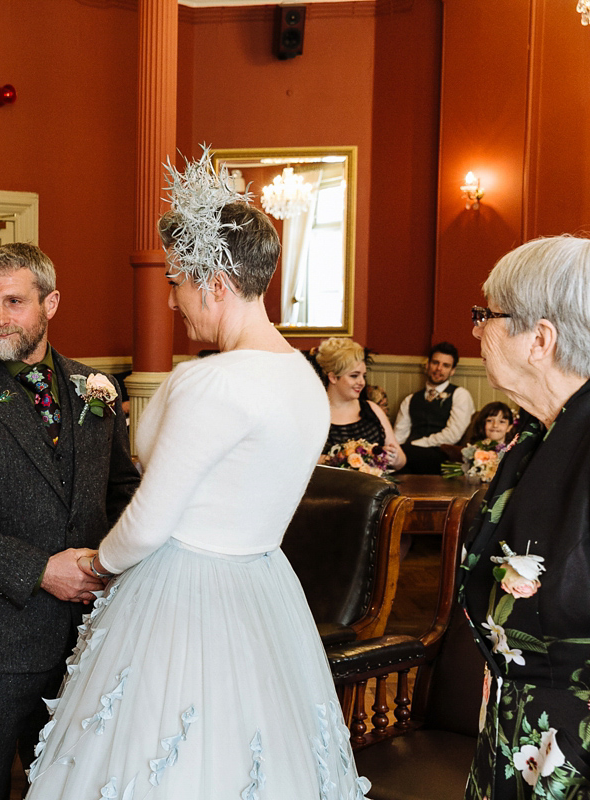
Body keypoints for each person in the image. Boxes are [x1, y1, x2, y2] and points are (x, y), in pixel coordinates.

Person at [25, 153, 371, 799]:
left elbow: (149, 520)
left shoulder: (210, 381)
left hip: (183, 591)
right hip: (265, 582)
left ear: (215, 283)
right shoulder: (304, 377)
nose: (171, 296)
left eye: (179, 281)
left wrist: (97, 566)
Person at [0, 242, 140, 800]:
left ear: (51, 302)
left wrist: (115, 562)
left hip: (88, 640)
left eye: (13, 301)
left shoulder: (98, 390)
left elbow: (121, 490)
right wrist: (42, 570)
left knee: (71, 788)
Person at [458, 235, 590, 799]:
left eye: (486, 316)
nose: (474, 330)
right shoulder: (534, 432)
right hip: (514, 732)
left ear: (540, 339)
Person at [315, 336, 406, 471]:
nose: (362, 382)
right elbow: (301, 461)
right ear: (333, 377)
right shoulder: (316, 414)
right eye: (354, 376)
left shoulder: (372, 409)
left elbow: (401, 460)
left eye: (363, 375)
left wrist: (395, 457)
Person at [393, 341, 475, 474]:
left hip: (442, 454)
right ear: (427, 365)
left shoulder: (460, 395)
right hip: (411, 453)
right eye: (435, 363)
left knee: (405, 459)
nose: (439, 369)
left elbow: (453, 435)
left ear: (452, 371)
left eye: (446, 365)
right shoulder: (410, 399)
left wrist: (417, 444)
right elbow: (399, 435)